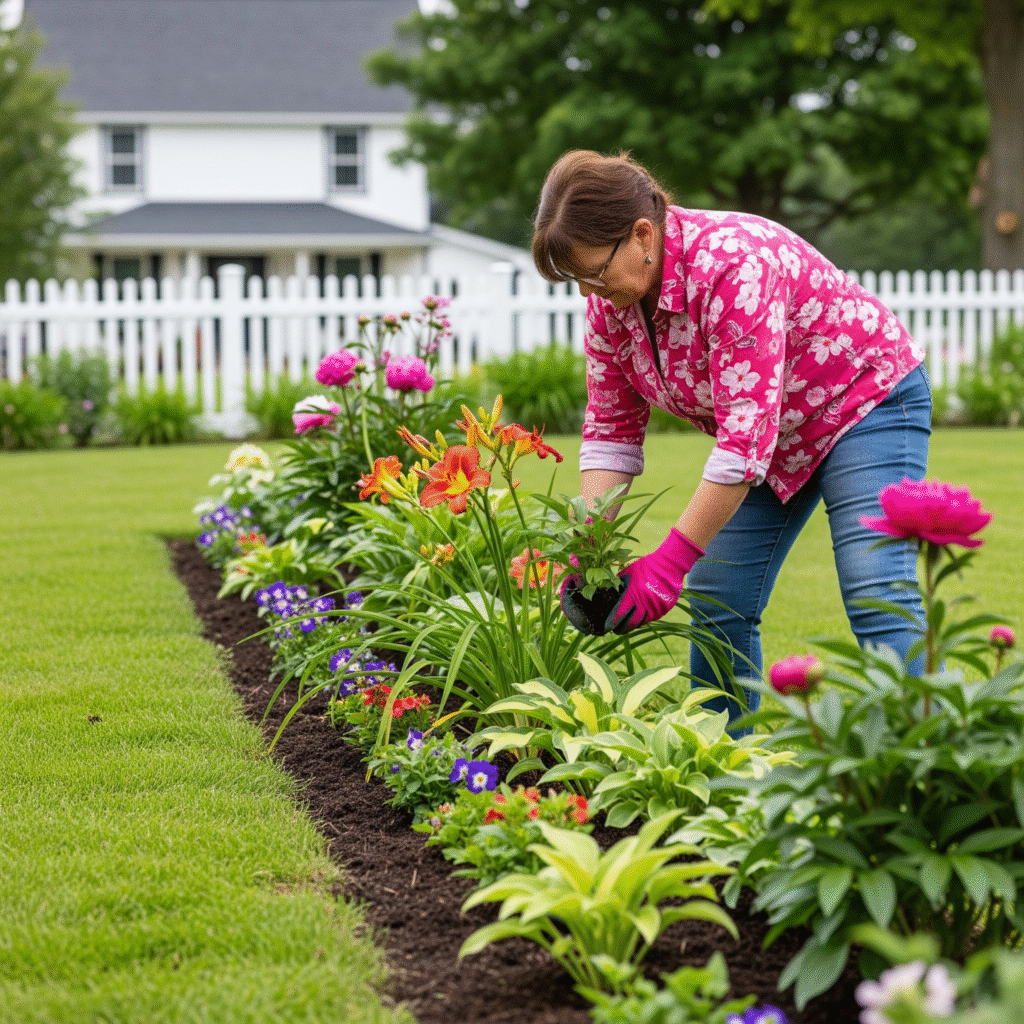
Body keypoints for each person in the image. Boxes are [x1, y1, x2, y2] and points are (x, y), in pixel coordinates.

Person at [531, 149, 932, 724]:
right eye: (576, 279)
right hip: (770, 435)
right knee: (719, 596)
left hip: (864, 401)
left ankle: (915, 768)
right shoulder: (611, 309)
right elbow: (610, 434)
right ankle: (721, 768)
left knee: (876, 585)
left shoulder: (732, 265)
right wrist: (587, 549)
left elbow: (743, 445)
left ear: (643, 233)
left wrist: (668, 563)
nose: (589, 292)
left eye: (595, 271)